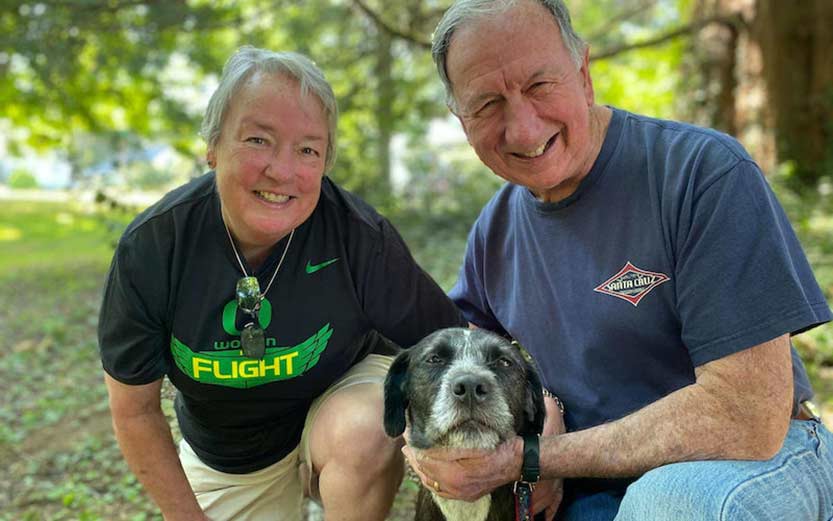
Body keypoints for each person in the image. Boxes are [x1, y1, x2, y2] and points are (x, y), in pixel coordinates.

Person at [402, 1, 833, 520]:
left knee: (666, 503)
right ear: (460, 120)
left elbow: (747, 417)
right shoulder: (493, 234)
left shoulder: (701, 173)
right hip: (593, 486)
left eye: (540, 86)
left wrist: (533, 458)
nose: (521, 128)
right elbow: (456, 358)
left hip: (756, 462)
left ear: (583, 73)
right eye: (487, 104)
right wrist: (540, 408)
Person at [98, 46, 465, 521]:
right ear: (212, 147)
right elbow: (136, 411)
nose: (283, 170)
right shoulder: (154, 247)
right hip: (231, 455)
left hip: (342, 404)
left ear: (325, 162)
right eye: (257, 140)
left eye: (308, 149)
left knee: (363, 429)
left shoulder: (357, 235)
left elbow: (453, 346)